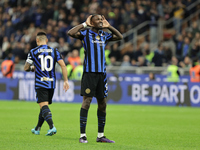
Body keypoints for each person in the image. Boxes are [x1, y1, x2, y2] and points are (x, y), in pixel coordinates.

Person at [67, 14, 123, 143]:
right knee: (87, 102)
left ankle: (101, 136)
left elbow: (120, 36)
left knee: (102, 104)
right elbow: (71, 33)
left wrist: (109, 26)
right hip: (89, 73)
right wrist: (85, 24)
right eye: (97, 19)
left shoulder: (104, 35)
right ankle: (82, 135)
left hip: (102, 74)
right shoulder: (86, 34)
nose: (101, 21)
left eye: (102, 19)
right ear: (92, 22)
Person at [24, 32, 70, 136]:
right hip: (51, 83)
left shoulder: (33, 51)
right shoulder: (54, 51)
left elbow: (26, 67)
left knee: (44, 106)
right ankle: (37, 128)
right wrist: (66, 80)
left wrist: (32, 68)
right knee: (43, 106)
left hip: (41, 82)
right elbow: (63, 65)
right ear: (47, 41)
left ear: (37, 41)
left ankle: (52, 127)